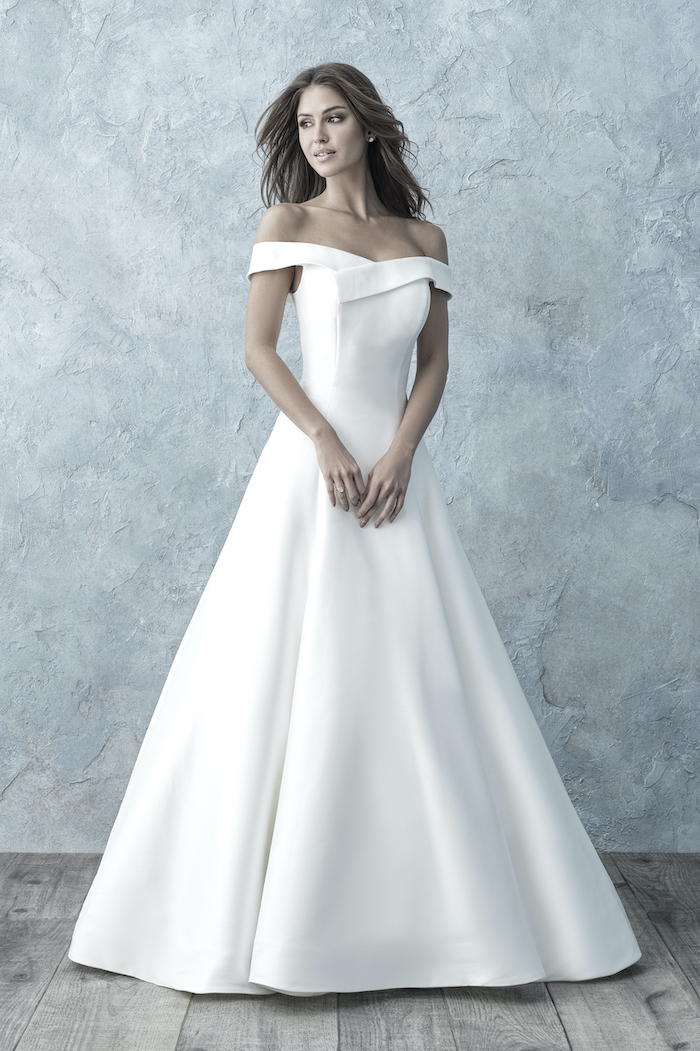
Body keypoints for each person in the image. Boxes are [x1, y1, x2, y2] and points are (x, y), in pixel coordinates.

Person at [68, 62, 642, 995]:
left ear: (369, 128)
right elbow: (258, 349)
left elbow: (434, 364)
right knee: (282, 674)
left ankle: (440, 917)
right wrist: (326, 440)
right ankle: (246, 918)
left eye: (334, 119)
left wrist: (402, 451)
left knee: (419, 675)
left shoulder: (425, 235)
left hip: (394, 477)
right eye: (304, 126)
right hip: (314, 471)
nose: (319, 137)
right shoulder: (287, 225)